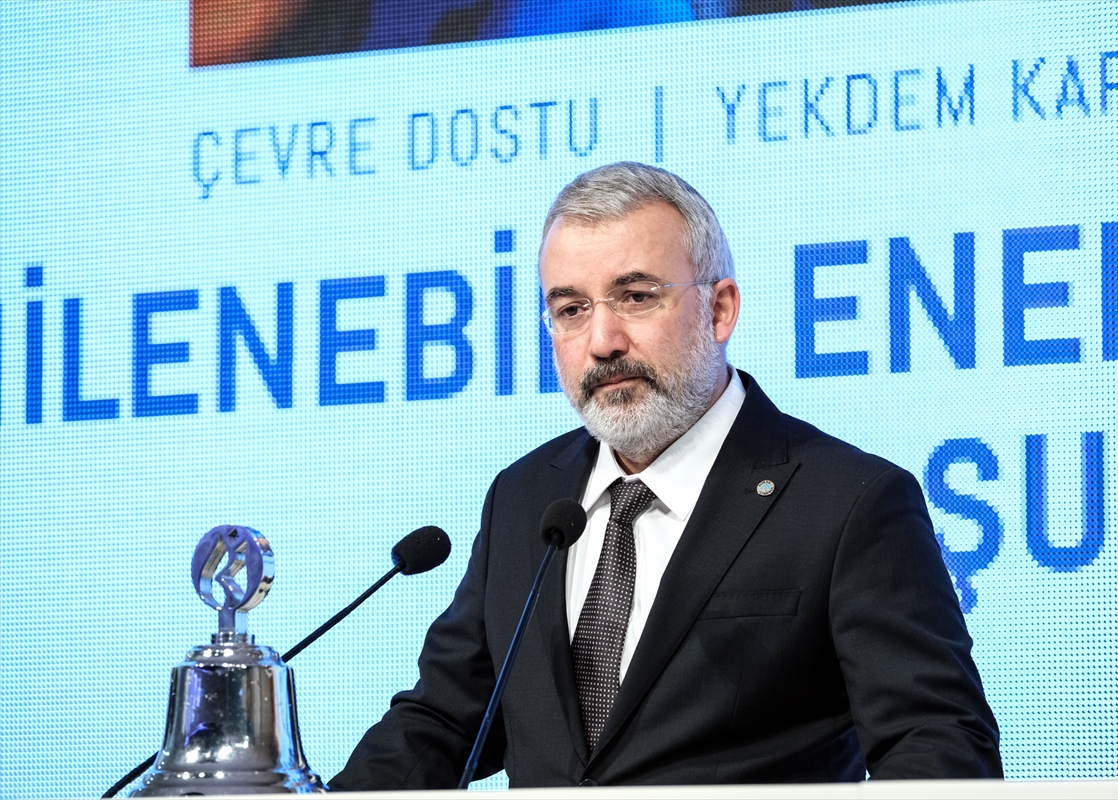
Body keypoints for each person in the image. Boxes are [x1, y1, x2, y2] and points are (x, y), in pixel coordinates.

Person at [329, 162, 1003, 789]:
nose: (602, 342)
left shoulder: (847, 503)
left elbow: (937, 740)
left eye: (636, 297)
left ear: (720, 309)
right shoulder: (526, 497)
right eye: (571, 310)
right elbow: (443, 722)